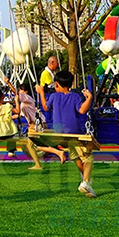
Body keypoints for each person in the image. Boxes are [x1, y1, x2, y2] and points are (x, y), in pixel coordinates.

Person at [37, 70, 96, 198]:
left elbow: (45, 107)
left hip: (60, 134)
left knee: (75, 155)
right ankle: (86, 182)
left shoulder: (54, 96)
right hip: (74, 132)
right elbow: (82, 110)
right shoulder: (75, 97)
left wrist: (41, 93)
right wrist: (89, 98)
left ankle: (86, 179)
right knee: (88, 157)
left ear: (56, 84)